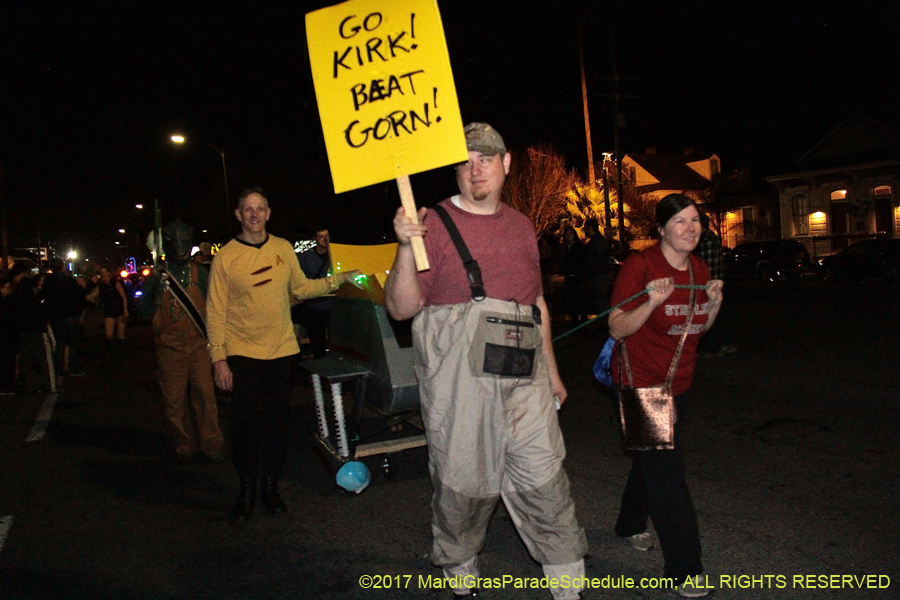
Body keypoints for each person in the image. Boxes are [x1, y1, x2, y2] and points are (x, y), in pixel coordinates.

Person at [384, 123, 587, 600]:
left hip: (525, 371)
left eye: (486, 159)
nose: (476, 170)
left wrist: (553, 372)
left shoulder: (521, 225)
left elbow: (536, 303)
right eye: (466, 160)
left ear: (506, 164)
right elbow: (400, 309)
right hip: (459, 377)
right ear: (455, 168)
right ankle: (460, 567)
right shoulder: (427, 222)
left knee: (543, 470)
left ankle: (567, 580)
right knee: (464, 476)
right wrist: (402, 246)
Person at [206, 188, 361, 521]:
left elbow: (301, 288)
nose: (254, 215)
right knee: (245, 425)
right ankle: (246, 490)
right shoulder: (226, 257)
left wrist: (339, 279)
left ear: (268, 212)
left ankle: (270, 487)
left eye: (259, 209)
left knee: (277, 424)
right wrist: (219, 359)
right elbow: (215, 310)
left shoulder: (282, 248)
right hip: (242, 352)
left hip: (280, 350)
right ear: (238, 214)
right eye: (247, 210)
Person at [607, 193, 723, 598]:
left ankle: (629, 524)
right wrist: (652, 299)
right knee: (668, 477)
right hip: (641, 384)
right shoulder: (640, 266)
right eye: (680, 222)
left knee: (651, 461)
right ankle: (685, 569)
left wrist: (714, 305)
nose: (690, 229)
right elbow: (617, 327)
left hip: (680, 382)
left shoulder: (699, 267)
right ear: (661, 228)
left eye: (695, 221)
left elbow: (696, 329)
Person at [138, 219, 224, 464]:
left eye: (186, 240)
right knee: (174, 402)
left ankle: (211, 443)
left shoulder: (202, 273)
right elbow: (144, 312)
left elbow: (215, 309)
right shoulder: (156, 276)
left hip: (198, 345)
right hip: (168, 348)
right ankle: (184, 444)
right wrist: (153, 291)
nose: (181, 246)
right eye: (175, 241)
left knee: (205, 397)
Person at [692, 212, 735, 358]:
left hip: (709, 283)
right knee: (717, 315)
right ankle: (722, 344)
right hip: (715, 281)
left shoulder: (706, 240)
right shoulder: (710, 237)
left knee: (711, 316)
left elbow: (707, 264)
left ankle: (714, 347)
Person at [42, 259, 87, 378]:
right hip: (70, 314)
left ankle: (59, 368)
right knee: (73, 342)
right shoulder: (70, 281)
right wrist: (82, 286)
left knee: (60, 343)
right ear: (62, 267)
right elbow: (79, 295)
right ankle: (71, 367)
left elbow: (45, 297)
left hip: (56, 316)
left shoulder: (49, 281)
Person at [293, 225, 333, 359]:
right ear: (315, 239)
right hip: (314, 307)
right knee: (318, 345)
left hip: (333, 305)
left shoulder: (336, 254)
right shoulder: (305, 258)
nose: (325, 240)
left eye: (327, 236)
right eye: (321, 236)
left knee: (336, 344)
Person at [582, 218, 610, 320]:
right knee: (599, 302)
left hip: (598, 276)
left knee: (601, 302)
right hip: (597, 275)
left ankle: (605, 324)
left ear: (589, 228)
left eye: (585, 228)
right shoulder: (597, 241)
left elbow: (598, 261)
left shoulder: (597, 242)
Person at [98, 266, 128, 355]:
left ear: (108, 273)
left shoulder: (116, 283)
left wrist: (125, 310)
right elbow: (93, 294)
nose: (102, 274)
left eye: (104, 272)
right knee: (109, 334)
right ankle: (110, 352)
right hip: (109, 310)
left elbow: (123, 297)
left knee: (121, 334)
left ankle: (121, 352)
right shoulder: (102, 285)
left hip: (119, 309)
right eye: (101, 272)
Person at [559, 225, 586, 320]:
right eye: (566, 234)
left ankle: (582, 320)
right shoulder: (565, 247)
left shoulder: (579, 247)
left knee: (579, 299)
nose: (568, 235)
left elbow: (582, 263)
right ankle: (574, 319)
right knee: (571, 299)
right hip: (569, 276)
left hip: (577, 276)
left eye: (570, 233)